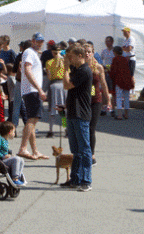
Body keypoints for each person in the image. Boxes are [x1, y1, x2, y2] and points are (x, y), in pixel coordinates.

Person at [61, 45, 93, 191]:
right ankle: (75, 179)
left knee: (84, 149)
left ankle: (86, 180)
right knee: (76, 150)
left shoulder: (85, 70)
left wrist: (66, 68)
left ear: (80, 56)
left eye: (71, 56)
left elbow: (67, 85)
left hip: (81, 114)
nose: (69, 59)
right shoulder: (76, 70)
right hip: (73, 113)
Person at [17, 33, 48, 161]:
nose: (40, 43)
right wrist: (39, 89)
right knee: (32, 119)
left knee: (32, 120)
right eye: (37, 41)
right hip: (32, 90)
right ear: (32, 41)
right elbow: (27, 69)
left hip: (30, 90)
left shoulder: (32, 53)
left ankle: (34, 151)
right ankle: (23, 148)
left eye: (41, 41)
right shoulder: (29, 52)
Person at [84, 43, 109, 164]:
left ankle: (92, 153)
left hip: (96, 100)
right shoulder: (80, 66)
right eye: (85, 52)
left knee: (91, 127)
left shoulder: (98, 67)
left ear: (93, 53)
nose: (87, 54)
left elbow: (103, 84)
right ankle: (83, 152)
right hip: (83, 100)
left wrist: (108, 100)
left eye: (89, 52)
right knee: (83, 127)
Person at [0, 121, 26, 186]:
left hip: (4, 160)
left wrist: (9, 155)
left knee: (21, 159)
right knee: (16, 159)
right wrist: (2, 156)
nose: (14, 134)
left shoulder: (5, 140)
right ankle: (15, 179)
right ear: (9, 132)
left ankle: (19, 176)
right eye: (13, 132)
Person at [45, 44, 66, 138]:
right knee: (64, 110)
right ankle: (66, 129)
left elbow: (49, 77)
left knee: (52, 108)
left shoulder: (49, 62)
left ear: (52, 52)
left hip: (53, 85)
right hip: (64, 85)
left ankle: (50, 130)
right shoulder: (65, 61)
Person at [110, 46, 134, 119]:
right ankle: (126, 114)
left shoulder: (115, 59)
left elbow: (114, 71)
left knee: (119, 97)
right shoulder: (124, 59)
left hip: (119, 80)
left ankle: (119, 114)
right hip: (127, 80)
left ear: (115, 52)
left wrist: (109, 72)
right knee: (126, 97)